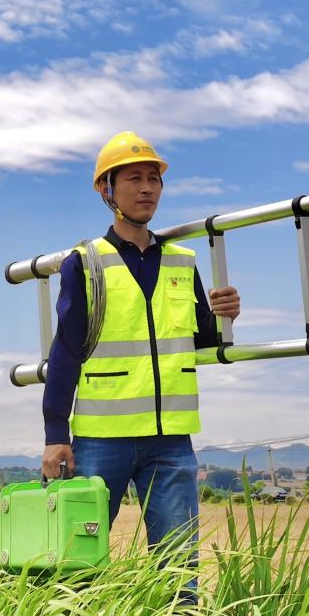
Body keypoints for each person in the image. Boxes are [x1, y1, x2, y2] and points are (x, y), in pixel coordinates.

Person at [41, 131, 241, 565]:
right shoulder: (85, 263)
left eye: (154, 178)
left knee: (178, 565)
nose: (147, 187)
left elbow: (200, 338)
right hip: (100, 440)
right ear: (105, 188)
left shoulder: (182, 262)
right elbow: (65, 353)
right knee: (77, 562)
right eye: (134, 178)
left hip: (171, 440)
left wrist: (225, 314)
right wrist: (56, 434)